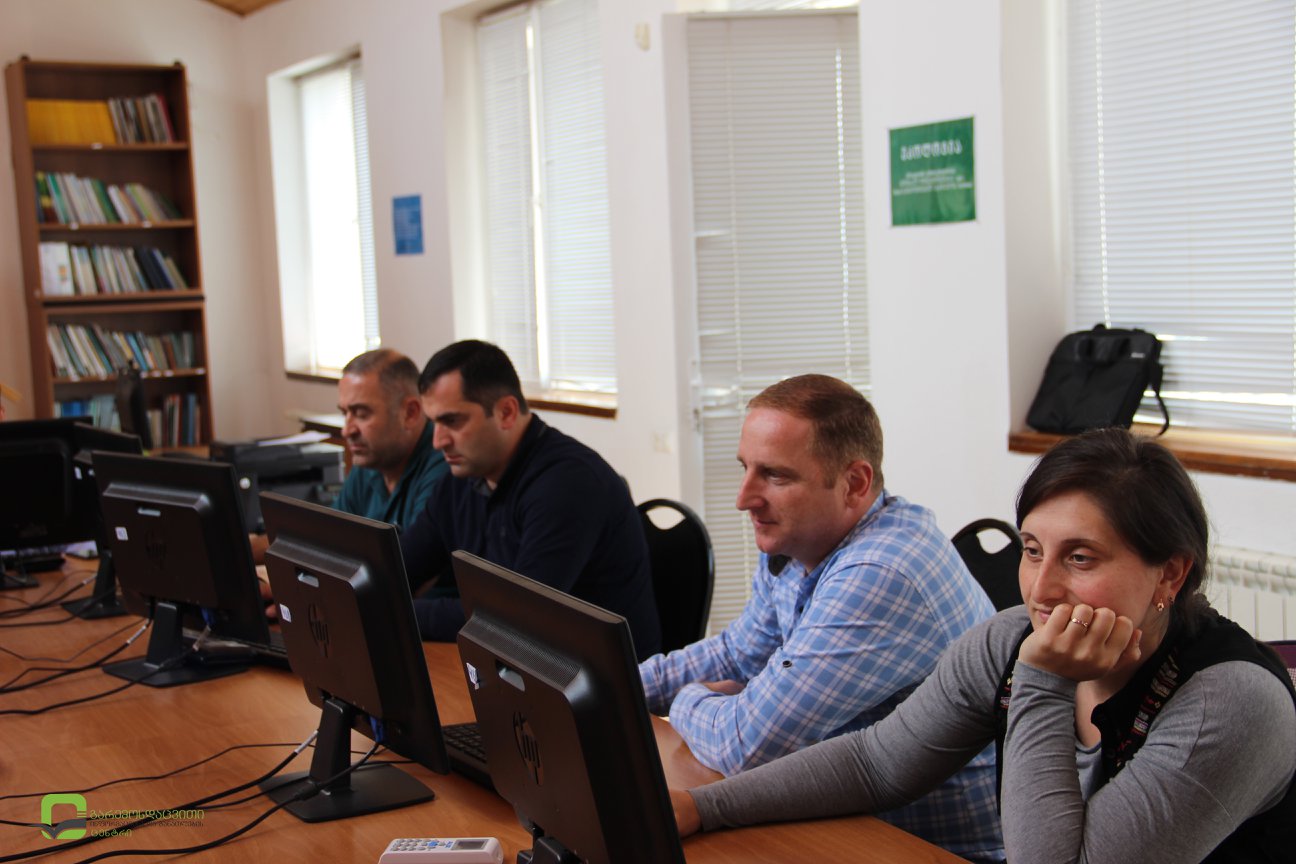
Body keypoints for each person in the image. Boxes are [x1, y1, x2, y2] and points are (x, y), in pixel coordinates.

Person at [673, 428, 1296, 863]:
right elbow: (877, 763)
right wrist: (703, 808)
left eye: (1080, 557)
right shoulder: (1010, 640)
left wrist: (1044, 681)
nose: (1041, 590)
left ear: (1170, 574)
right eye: (1033, 550)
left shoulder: (1229, 702)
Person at [639, 374, 1001, 860]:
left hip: (928, 849)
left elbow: (745, 747)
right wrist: (617, 682)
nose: (744, 499)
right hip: (844, 821)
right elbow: (738, 655)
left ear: (855, 484)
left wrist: (689, 699)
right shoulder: (799, 542)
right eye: (746, 468)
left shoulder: (883, 571)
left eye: (775, 476)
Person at [399, 340, 662, 659]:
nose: (438, 441)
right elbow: (399, 569)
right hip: (524, 665)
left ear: (506, 412)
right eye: (434, 423)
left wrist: (400, 611)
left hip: (596, 677)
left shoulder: (568, 483)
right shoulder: (462, 477)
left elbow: (516, 619)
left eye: (452, 421)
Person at [252, 349, 446, 608]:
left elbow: (406, 576)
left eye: (362, 414)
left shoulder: (443, 466)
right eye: (345, 413)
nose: (347, 430)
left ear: (410, 412)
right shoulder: (371, 460)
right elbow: (330, 543)